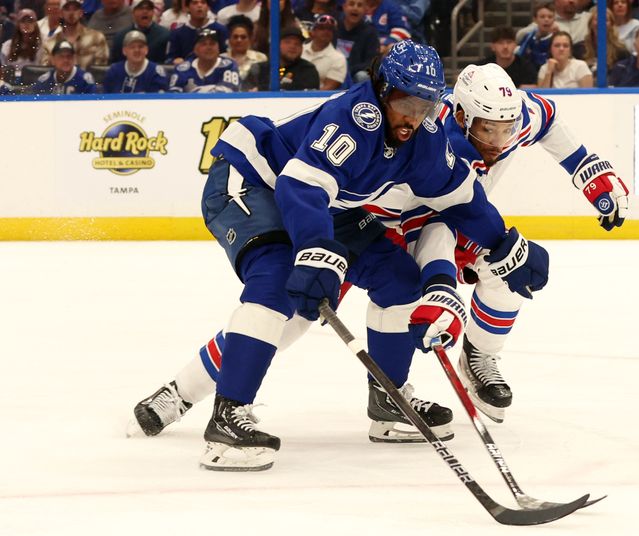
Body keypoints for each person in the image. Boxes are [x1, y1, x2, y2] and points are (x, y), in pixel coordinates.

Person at [129, 42, 559, 470]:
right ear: (382, 89)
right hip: (254, 178)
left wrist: (505, 244)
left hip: (331, 207)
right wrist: (316, 247)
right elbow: (300, 187)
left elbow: (462, 202)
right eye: (405, 102)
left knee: (401, 280)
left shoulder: (424, 139)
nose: (413, 118)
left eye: (425, 106)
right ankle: (227, 418)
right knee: (278, 282)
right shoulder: (354, 120)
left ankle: (389, 401)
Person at [245, 26, 319, 90]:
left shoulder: (308, 70)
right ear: (276, 45)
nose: (292, 46)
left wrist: (262, 89)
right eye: (287, 42)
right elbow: (246, 91)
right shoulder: (259, 69)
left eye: (297, 43)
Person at [43, 0, 109, 69]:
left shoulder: (97, 38)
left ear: (81, 13)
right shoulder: (50, 43)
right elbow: (46, 71)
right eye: (67, 9)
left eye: (75, 9)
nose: (71, 13)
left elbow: (100, 71)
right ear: (61, 14)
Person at [169, 27, 240, 91]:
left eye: (212, 44)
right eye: (203, 44)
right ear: (195, 49)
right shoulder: (182, 70)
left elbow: (229, 92)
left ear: (218, 48)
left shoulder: (229, 66)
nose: (208, 47)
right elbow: (174, 96)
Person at [103, 29, 169, 92]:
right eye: (132, 47)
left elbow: (159, 100)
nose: (136, 50)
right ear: (124, 50)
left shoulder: (156, 72)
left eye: (140, 46)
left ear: (146, 50)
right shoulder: (114, 71)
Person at [576, 6, 631, 79]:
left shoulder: (621, 51)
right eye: (597, 19)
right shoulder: (578, 49)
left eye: (605, 20)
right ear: (590, 24)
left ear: (611, 25)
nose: (601, 23)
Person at [31, 38, 98, 93]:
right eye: (61, 57)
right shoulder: (44, 81)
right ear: (53, 60)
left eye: (69, 56)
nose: (65, 60)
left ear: (74, 59)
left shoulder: (85, 80)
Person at [336, 0, 380, 84]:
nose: (355, 8)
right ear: (344, 7)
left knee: (363, 76)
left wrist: (349, 70)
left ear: (365, 10)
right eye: (351, 4)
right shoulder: (334, 27)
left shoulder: (370, 33)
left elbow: (372, 62)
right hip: (333, 70)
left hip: (354, 73)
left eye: (359, 5)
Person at [301, 13, 347, 89]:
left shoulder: (339, 58)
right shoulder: (300, 50)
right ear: (312, 31)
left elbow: (329, 88)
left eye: (330, 29)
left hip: (318, 98)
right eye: (321, 28)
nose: (326, 31)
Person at [516, 2, 557, 72]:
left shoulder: (557, 39)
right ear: (535, 19)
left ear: (554, 19)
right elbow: (519, 57)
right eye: (542, 17)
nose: (546, 20)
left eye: (550, 17)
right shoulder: (528, 37)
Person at [222, 14, 265, 80]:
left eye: (243, 37)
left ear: (250, 39)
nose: (239, 40)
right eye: (235, 37)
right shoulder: (221, 59)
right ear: (229, 39)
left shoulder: (261, 58)